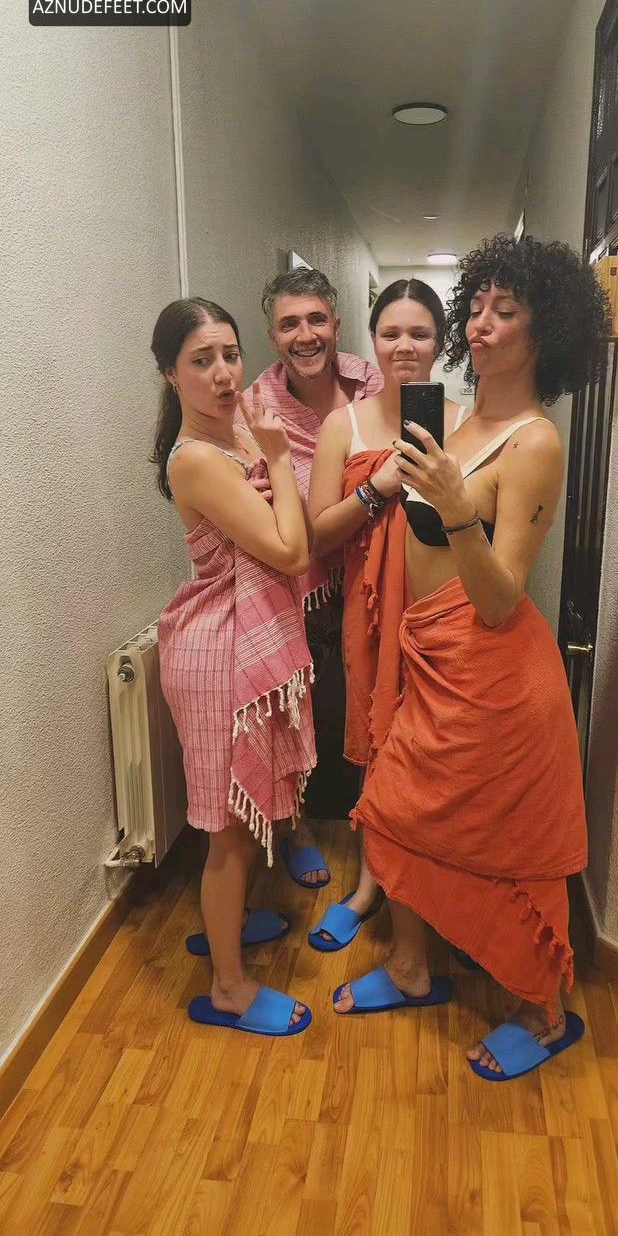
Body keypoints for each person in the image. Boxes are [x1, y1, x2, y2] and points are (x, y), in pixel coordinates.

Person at [333, 235, 611, 1083]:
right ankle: (412, 969)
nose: (483, 323)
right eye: (478, 306)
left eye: (507, 310)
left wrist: (456, 508)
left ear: (545, 329)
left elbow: (500, 598)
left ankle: (546, 1013)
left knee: (509, 847)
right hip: (430, 662)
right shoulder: (455, 422)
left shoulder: (535, 443)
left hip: (496, 679)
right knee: (395, 813)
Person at [152, 297, 315, 1039]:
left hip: (237, 641)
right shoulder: (195, 458)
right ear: (171, 374)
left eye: (230, 354)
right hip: (219, 653)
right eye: (201, 360)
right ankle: (227, 986)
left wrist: (269, 450)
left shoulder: (236, 433)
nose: (223, 373)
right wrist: (278, 458)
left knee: (244, 822)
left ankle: (230, 927)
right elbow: (290, 550)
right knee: (228, 832)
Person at [306, 278, 466, 951]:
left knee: (433, 752)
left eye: (419, 333)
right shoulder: (341, 425)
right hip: (367, 615)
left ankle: (429, 886)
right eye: (391, 333)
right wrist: (378, 487)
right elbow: (318, 533)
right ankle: (372, 883)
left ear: (440, 342)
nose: (404, 346)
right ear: (372, 340)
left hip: (440, 612)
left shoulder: (465, 423)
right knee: (377, 745)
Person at [254, 267, 383, 887]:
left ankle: (377, 826)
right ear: (273, 337)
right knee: (294, 709)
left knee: (363, 703)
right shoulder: (258, 405)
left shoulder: (370, 383)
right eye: (289, 324)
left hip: (367, 570)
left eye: (315, 320)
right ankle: (296, 828)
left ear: (336, 322)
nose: (304, 335)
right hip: (296, 583)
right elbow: (251, 485)